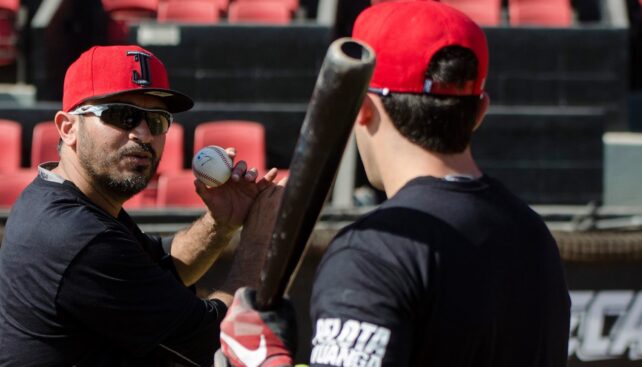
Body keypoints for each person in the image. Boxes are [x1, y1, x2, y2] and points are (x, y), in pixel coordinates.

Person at [217, 1, 571, 367]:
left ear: (362, 109)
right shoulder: (534, 235)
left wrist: (264, 360)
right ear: (479, 111)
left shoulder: (373, 253)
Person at [0, 45, 283, 367]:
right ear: (68, 128)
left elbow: (164, 268)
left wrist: (222, 223)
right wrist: (260, 240)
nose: (142, 133)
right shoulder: (74, 234)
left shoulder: (68, 201)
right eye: (121, 115)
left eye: (156, 120)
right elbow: (217, 341)